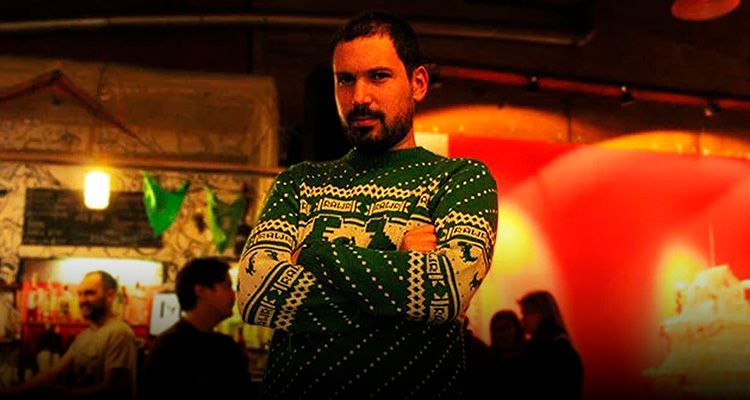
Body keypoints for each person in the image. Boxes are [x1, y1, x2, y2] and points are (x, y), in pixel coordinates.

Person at [237, 11, 498, 399]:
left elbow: (446, 290)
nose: (359, 97)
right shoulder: (299, 182)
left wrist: (315, 255)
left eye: (378, 76)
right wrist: (400, 273)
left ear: (418, 83)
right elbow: (255, 293)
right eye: (345, 79)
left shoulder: (460, 179)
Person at [1, 270, 137, 400]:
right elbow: (53, 374)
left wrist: (64, 394)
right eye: (80, 294)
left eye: (89, 293)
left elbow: (112, 390)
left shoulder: (119, 333)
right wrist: (10, 393)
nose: (82, 300)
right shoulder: (84, 336)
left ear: (110, 296)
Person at [142, 257, 255, 400]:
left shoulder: (225, 345)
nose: (234, 294)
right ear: (201, 291)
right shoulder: (170, 347)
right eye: (227, 286)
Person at [518, 290, 583, 400]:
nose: (522, 319)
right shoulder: (565, 348)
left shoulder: (538, 351)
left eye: (526, 313)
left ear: (542, 314)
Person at [489, 309, 524, 399]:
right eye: (498, 329)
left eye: (507, 328)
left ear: (517, 329)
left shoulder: (531, 357)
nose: (503, 333)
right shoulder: (487, 360)